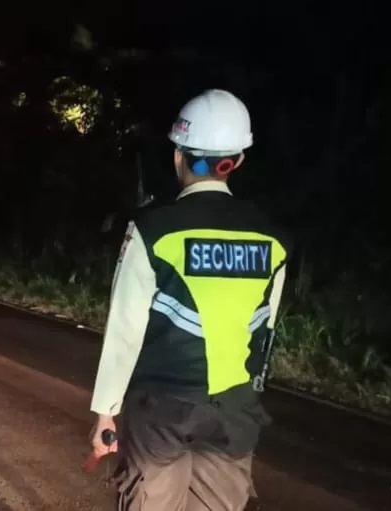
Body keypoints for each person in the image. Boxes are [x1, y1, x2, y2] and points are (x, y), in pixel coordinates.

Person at [88, 89, 292, 511]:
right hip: (234, 411)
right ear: (236, 162)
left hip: (163, 411)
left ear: (179, 156)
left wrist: (106, 412)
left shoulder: (153, 229)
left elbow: (126, 328)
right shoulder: (273, 238)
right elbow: (264, 329)